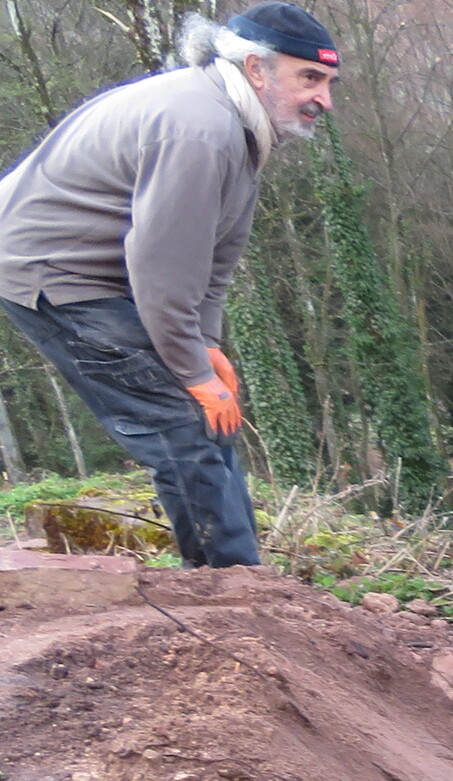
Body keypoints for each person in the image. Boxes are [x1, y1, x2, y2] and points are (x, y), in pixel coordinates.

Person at [0, 5, 339, 568]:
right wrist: (192, 372)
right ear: (256, 68)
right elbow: (162, 268)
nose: (323, 99)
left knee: (207, 415)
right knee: (179, 423)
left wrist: (204, 343)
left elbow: (217, 256)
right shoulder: (200, 129)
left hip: (103, 271)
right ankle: (226, 587)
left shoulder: (237, 121)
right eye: (309, 77)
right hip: (53, 273)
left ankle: (245, 579)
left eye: (328, 82)